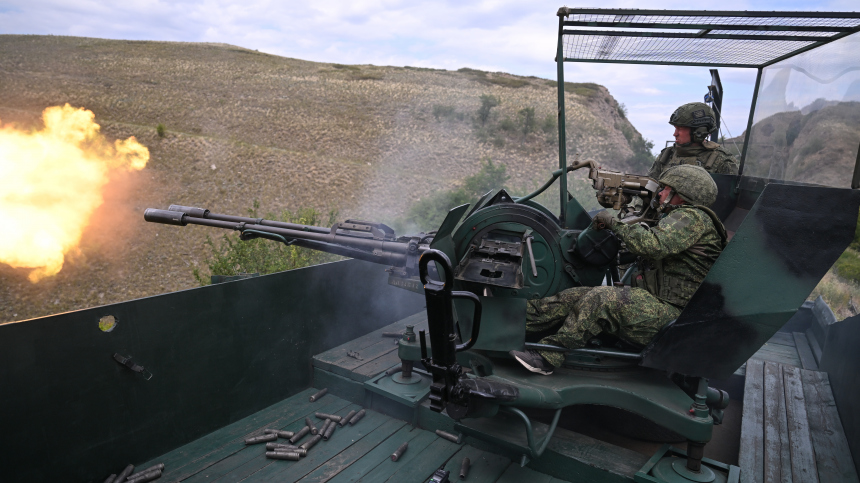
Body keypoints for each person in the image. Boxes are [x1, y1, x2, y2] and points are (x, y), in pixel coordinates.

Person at [510, 165, 728, 375]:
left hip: (675, 317)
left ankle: (548, 358)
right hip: (658, 304)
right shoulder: (679, 218)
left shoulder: (693, 217)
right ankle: (507, 324)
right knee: (573, 297)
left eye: (666, 189)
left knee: (601, 299)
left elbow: (653, 245)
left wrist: (615, 224)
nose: (661, 193)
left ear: (682, 195)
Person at [647, 102, 739, 179]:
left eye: (680, 129)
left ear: (699, 131)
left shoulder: (722, 160)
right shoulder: (667, 155)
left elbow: (729, 193)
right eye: (675, 128)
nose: (675, 134)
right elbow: (650, 187)